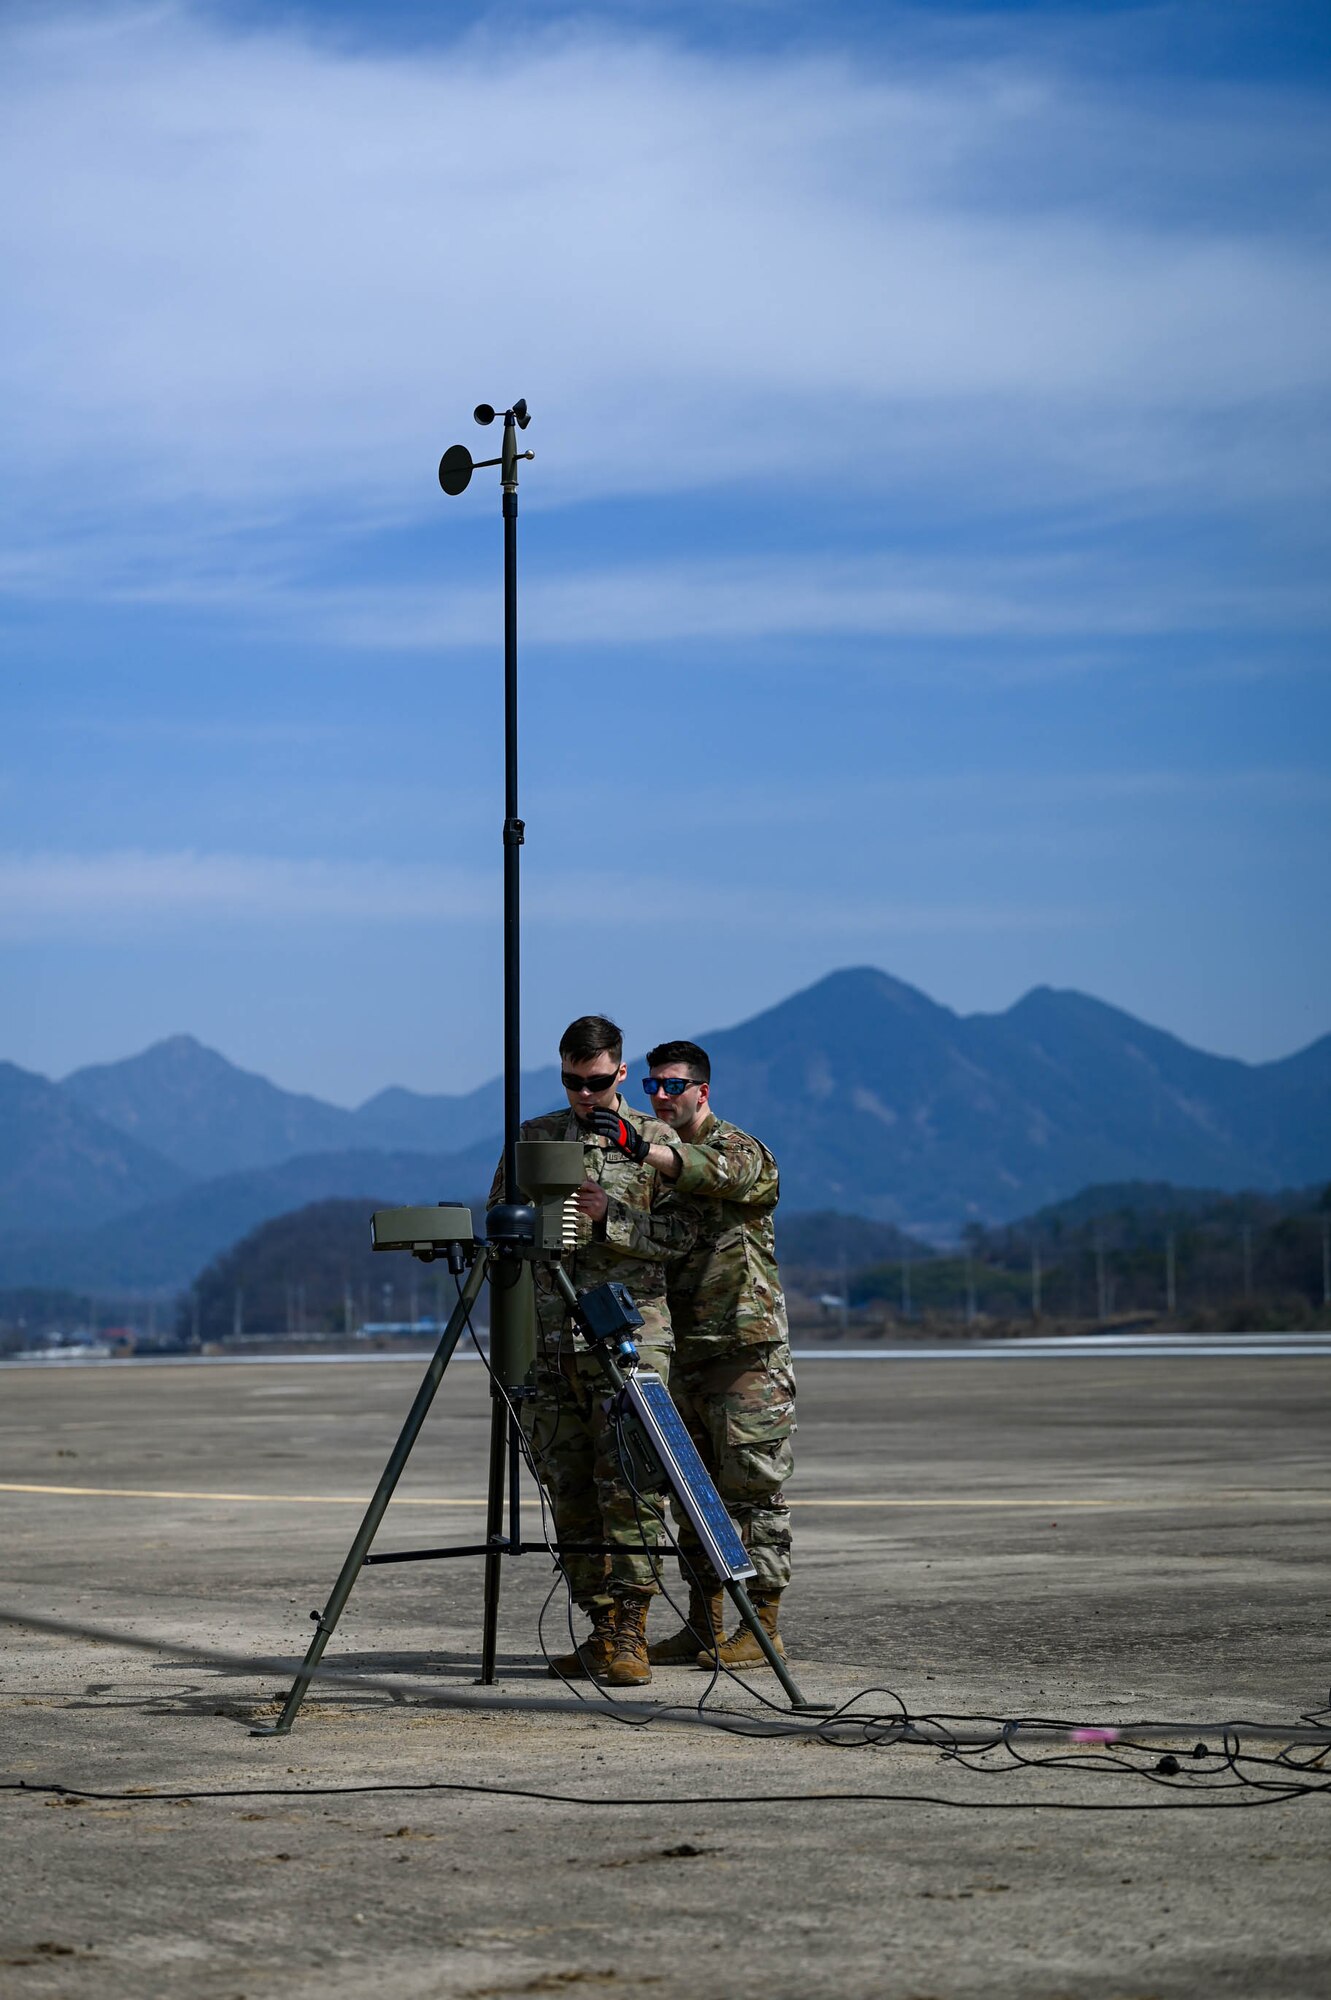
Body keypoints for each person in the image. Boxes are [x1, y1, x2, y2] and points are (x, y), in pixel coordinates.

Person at [488, 1014, 695, 1688]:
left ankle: (631, 1629)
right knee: (568, 1489)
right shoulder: (534, 1139)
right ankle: (601, 1622)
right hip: (548, 1346)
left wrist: (614, 1217)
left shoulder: (657, 1143)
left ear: (620, 1073)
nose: (585, 1094)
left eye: (597, 1081)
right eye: (573, 1082)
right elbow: (500, 1228)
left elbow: (684, 1238)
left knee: (631, 1487)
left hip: (628, 1344)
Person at [631, 1040, 796, 1669]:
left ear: (702, 1090)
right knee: (691, 1496)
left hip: (744, 1350)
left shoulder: (739, 1149)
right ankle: (706, 1622)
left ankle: (764, 1626)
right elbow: (661, 1237)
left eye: (673, 1086)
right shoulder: (661, 1170)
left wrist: (646, 1149)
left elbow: (724, 1177)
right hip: (683, 1349)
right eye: (653, 1087)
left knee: (752, 1490)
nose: (663, 1097)